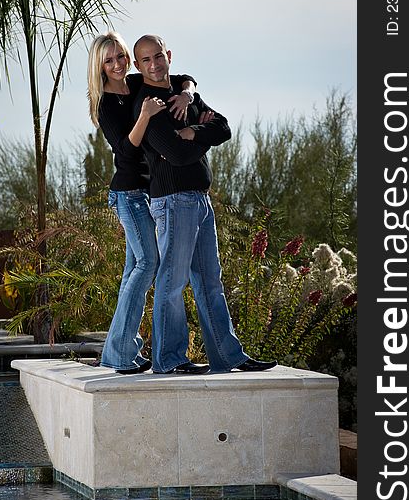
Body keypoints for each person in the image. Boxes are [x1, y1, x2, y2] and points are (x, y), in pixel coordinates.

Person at [132, 34, 278, 374]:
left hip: (199, 201)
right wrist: (198, 140)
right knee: (173, 282)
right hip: (172, 202)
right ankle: (169, 360)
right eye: (146, 61)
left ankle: (228, 356)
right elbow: (178, 156)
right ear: (138, 66)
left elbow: (223, 127)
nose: (154, 65)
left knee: (210, 281)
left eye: (158, 57)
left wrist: (195, 132)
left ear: (168, 55)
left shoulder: (185, 97)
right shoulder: (149, 105)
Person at [87, 30, 197, 374]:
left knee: (133, 270)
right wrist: (146, 115)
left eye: (120, 56)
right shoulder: (105, 102)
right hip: (128, 193)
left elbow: (183, 78)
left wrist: (187, 95)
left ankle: (118, 352)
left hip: (147, 193)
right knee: (147, 264)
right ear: (100, 66)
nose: (118, 64)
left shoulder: (134, 84)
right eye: (110, 60)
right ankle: (119, 354)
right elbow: (124, 148)